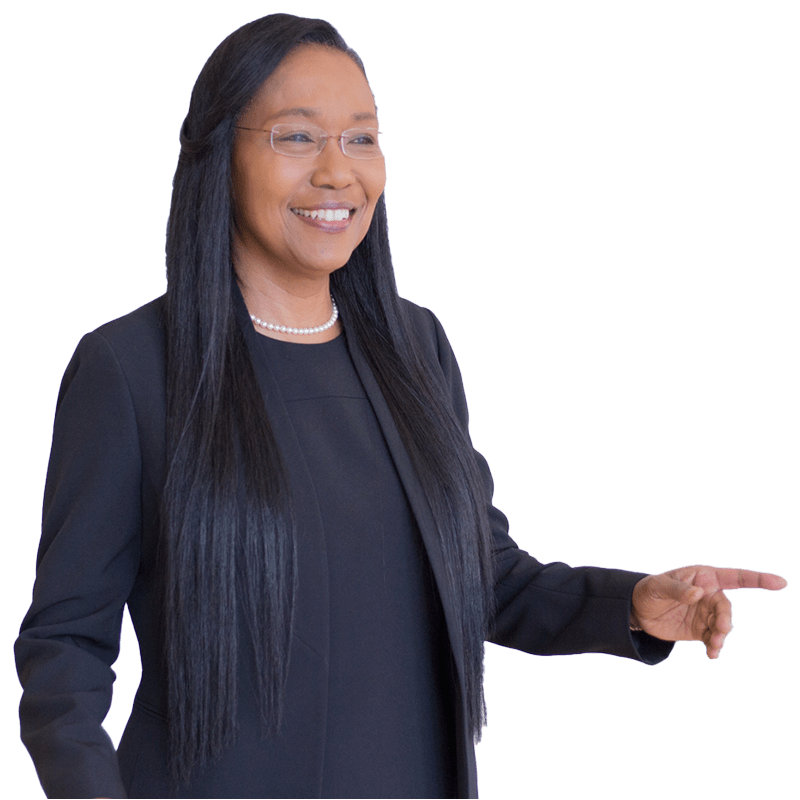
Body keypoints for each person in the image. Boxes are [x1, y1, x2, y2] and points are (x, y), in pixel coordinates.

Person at [14, 13, 787, 800]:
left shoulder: (415, 348)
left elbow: (486, 579)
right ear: (220, 155)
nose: (337, 172)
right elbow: (65, 651)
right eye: (295, 137)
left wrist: (633, 604)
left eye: (363, 138)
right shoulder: (131, 368)